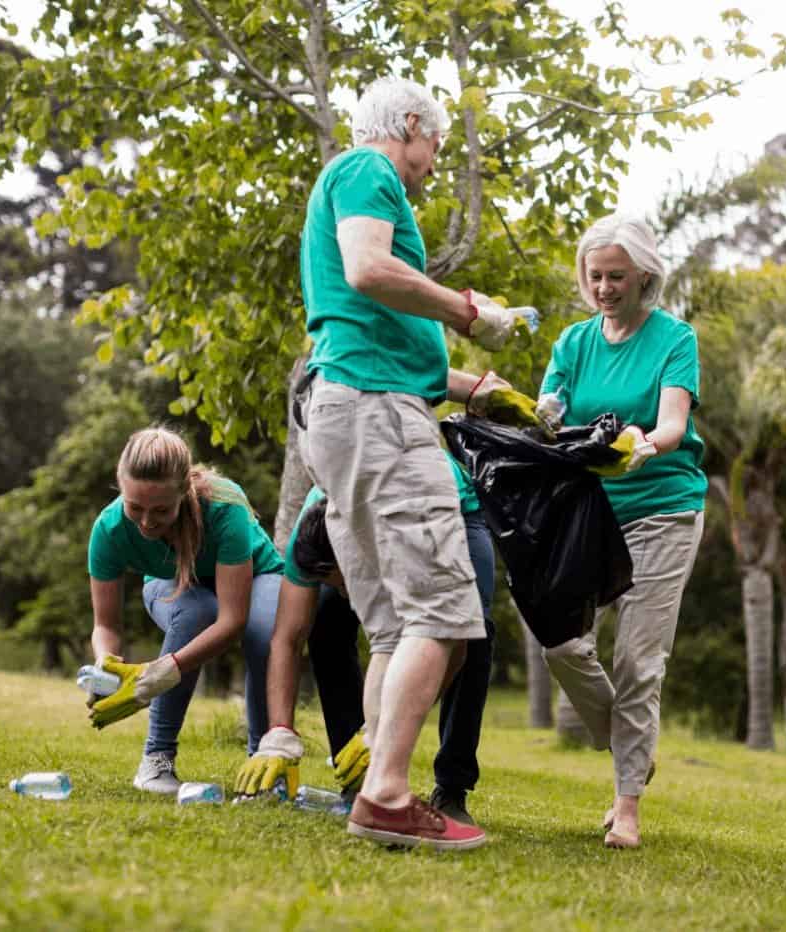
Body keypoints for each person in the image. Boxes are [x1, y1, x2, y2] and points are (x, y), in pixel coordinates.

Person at [297, 75, 527, 850]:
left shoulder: (349, 181)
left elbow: (376, 326)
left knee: (395, 626)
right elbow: (369, 270)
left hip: (358, 406)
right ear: (407, 125)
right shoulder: (369, 170)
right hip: (376, 415)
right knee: (446, 612)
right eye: (434, 144)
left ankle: (374, 791)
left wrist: (476, 389)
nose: (432, 162)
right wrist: (469, 311)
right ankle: (391, 796)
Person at [536, 214, 707, 850]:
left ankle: (627, 803)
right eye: (595, 276)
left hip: (663, 505)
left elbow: (671, 420)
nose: (603, 287)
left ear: (644, 277)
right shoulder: (575, 343)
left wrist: (644, 445)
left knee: (638, 660)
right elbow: (547, 412)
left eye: (616, 276)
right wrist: (537, 418)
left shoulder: (674, 338)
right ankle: (633, 746)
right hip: (589, 513)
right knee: (561, 645)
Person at [235, 460, 497, 825]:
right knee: (325, 621)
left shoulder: (412, 536)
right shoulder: (309, 537)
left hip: (448, 513)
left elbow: (455, 645)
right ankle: (358, 778)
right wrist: (279, 732)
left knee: (474, 630)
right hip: (370, 508)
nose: (344, 591)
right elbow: (287, 638)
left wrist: (384, 729)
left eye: (342, 580)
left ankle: (451, 787)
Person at [86, 426, 283, 795]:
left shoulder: (225, 507)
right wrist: (105, 667)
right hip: (172, 583)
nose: (146, 522)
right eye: (135, 508)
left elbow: (232, 621)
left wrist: (164, 672)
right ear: (121, 489)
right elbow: (105, 625)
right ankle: (156, 760)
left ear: (183, 492)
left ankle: (264, 763)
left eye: (161, 510)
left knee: (263, 633)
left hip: (258, 575)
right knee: (194, 613)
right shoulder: (109, 530)